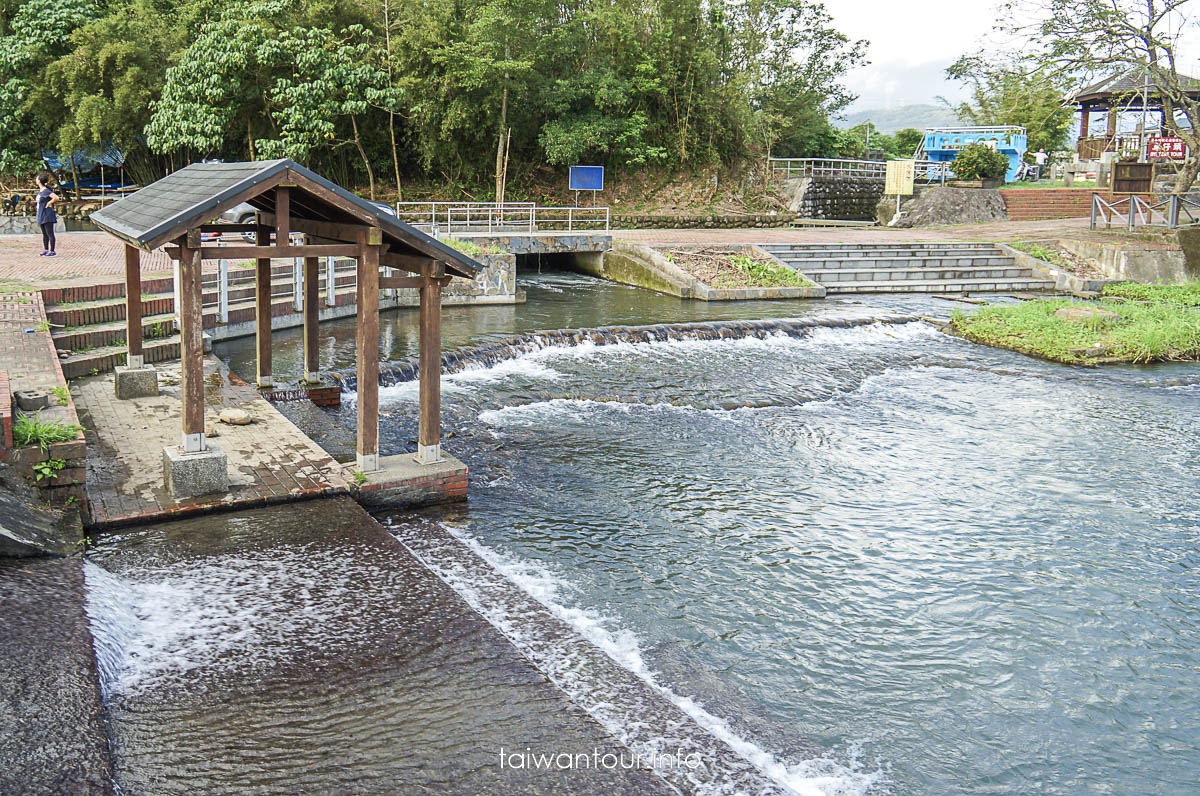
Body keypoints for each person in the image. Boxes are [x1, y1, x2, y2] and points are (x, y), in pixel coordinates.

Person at [35, 172, 58, 257]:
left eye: (37, 178)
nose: (36, 180)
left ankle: (52, 250)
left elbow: (56, 197)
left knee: (50, 233)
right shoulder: (40, 191)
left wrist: (49, 203)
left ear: (40, 181)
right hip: (41, 214)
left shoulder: (46, 191)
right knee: (44, 233)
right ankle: (46, 249)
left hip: (47, 214)